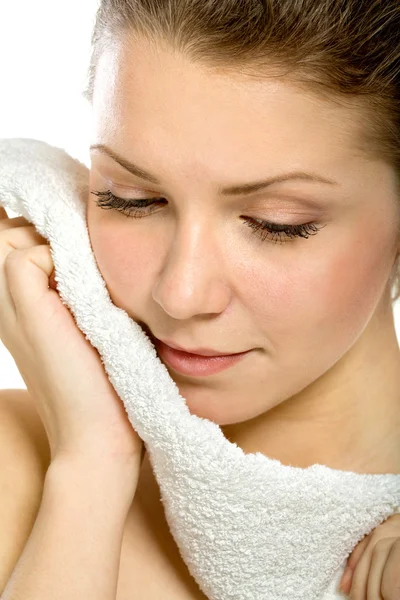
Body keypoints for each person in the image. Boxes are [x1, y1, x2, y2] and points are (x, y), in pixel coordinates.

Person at [0, 0, 400, 598]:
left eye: (275, 223)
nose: (181, 295)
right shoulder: (14, 461)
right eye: (131, 198)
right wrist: (90, 468)